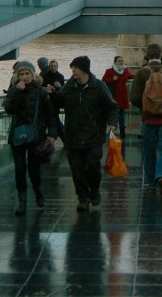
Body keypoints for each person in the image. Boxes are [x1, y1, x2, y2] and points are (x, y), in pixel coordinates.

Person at [50, 55, 118, 211]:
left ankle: (94, 190)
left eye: (76, 68)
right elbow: (61, 102)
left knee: (93, 166)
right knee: (76, 169)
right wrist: (53, 94)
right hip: (73, 135)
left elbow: (112, 106)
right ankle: (83, 197)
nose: (73, 71)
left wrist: (112, 123)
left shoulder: (99, 86)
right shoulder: (69, 86)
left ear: (84, 70)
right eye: (72, 68)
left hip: (93, 135)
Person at [3, 61, 57, 215]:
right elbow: (9, 109)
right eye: (22, 74)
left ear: (33, 75)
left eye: (27, 74)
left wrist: (52, 134)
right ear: (17, 76)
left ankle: (37, 190)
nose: (25, 77)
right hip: (18, 136)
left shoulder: (41, 92)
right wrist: (17, 92)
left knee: (34, 169)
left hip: (36, 136)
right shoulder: (14, 91)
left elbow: (50, 115)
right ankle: (22, 202)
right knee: (19, 169)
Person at [130, 45, 162, 198]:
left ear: (147, 55)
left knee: (148, 150)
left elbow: (133, 97)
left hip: (147, 119)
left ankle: (151, 184)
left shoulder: (141, 73)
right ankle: (161, 175)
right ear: (161, 55)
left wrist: (145, 108)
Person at [101, 56, 133, 139]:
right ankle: (111, 134)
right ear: (115, 62)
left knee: (122, 117)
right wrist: (112, 79)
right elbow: (103, 80)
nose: (121, 63)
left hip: (122, 97)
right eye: (119, 61)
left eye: (122, 61)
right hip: (113, 97)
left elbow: (132, 76)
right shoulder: (109, 71)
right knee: (112, 115)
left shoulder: (125, 71)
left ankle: (123, 134)